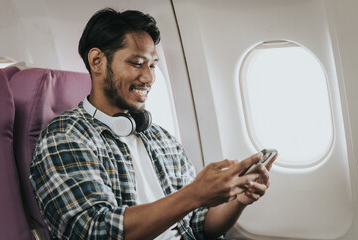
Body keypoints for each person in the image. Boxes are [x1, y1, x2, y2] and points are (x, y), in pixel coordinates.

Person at [30, 8, 274, 240]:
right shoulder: (66, 135)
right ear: (97, 61)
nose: (149, 77)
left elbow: (199, 225)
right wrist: (194, 194)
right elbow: (95, 231)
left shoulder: (159, 137)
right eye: (136, 63)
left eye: (153, 65)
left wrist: (238, 200)